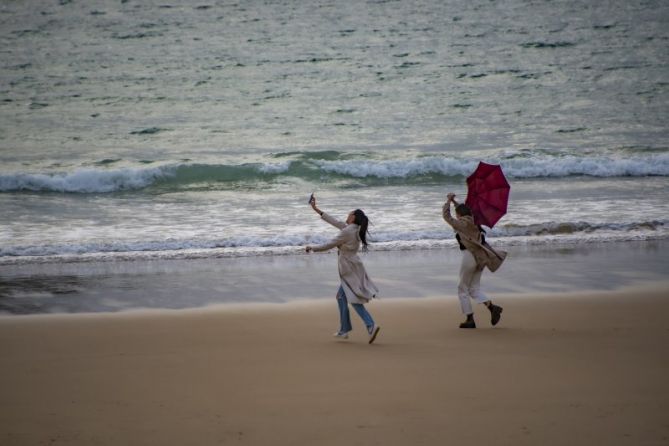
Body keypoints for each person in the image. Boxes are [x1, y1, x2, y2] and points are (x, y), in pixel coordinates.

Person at [305, 196, 380, 344]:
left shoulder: (347, 231)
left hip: (348, 269)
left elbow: (330, 244)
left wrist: (312, 248)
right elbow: (334, 221)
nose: (347, 215)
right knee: (341, 297)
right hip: (354, 266)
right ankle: (344, 330)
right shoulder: (354, 229)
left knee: (353, 299)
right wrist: (316, 209)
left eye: (349, 214)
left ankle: (370, 325)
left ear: (353, 218)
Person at [443, 192, 503, 329]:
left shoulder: (461, 224)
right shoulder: (475, 221)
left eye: (457, 214)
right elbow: (464, 211)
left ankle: (470, 319)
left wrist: (448, 201)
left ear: (459, 215)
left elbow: (446, 216)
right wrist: (454, 202)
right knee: (474, 289)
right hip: (481, 258)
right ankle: (492, 308)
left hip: (469, 257)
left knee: (462, 289)